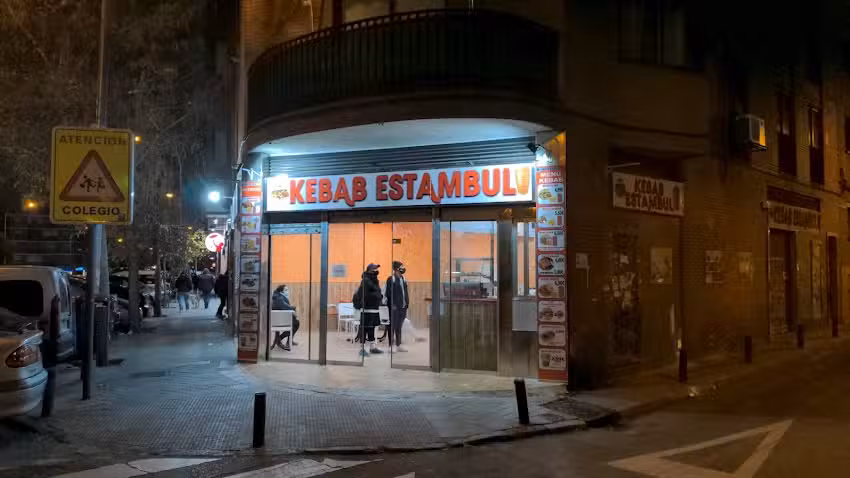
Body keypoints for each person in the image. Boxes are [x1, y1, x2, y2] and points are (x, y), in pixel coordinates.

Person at [353, 263, 383, 356]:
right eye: (374, 269)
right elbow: (364, 295)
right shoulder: (365, 280)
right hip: (367, 309)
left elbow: (377, 291)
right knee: (365, 329)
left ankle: (372, 347)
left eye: (376, 269)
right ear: (370, 270)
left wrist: (379, 296)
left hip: (374, 309)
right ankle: (362, 349)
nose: (376, 270)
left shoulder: (374, 280)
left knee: (372, 328)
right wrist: (376, 295)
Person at [384, 261, 409, 353]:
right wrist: (393, 305)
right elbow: (388, 294)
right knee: (392, 326)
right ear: (396, 269)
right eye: (401, 267)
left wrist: (406, 303)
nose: (403, 268)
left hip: (403, 307)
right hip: (394, 307)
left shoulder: (403, 279)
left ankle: (399, 345)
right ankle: (391, 345)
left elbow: (405, 292)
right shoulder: (391, 279)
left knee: (399, 326)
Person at [271, 284, 300, 350]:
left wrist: (292, 309)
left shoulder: (277, 296)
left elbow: (284, 306)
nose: (288, 291)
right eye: (286, 290)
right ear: (281, 291)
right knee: (296, 324)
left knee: (296, 322)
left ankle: (284, 340)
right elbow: (284, 306)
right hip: (279, 321)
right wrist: (293, 309)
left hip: (279, 319)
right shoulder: (279, 298)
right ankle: (281, 340)